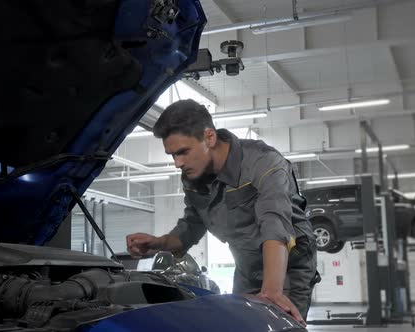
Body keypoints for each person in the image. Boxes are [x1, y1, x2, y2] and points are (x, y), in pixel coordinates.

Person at [126, 99, 319, 325]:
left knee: (276, 324)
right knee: (241, 325)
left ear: (210, 137)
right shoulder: (193, 177)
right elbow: (191, 226)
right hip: (247, 267)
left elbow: (275, 225)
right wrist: (158, 242)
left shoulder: (263, 162)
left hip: (287, 267)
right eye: (172, 155)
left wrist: (272, 291)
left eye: (183, 152)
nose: (177, 163)